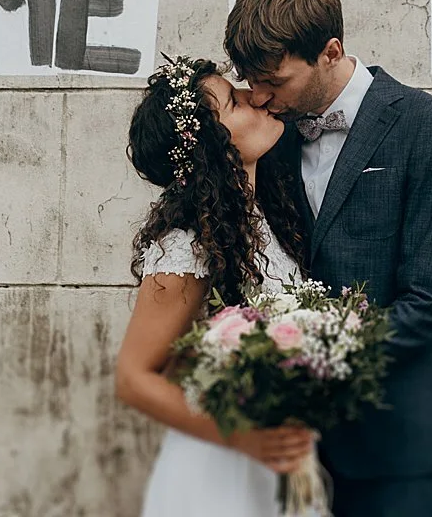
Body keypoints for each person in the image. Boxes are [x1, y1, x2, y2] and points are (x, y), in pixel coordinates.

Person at [225, 0, 432, 517]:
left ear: (330, 52)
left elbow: (429, 303)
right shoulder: (269, 134)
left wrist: (308, 354)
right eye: (250, 80)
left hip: (400, 437)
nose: (260, 96)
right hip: (292, 447)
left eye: (273, 80)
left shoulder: (431, 126)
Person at [115, 55, 321, 517]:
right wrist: (244, 438)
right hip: (221, 469)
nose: (255, 96)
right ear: (210, 146)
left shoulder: (267, 222)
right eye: (234, 102)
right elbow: (133, 378)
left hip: (279, 464)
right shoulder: (188, 244)